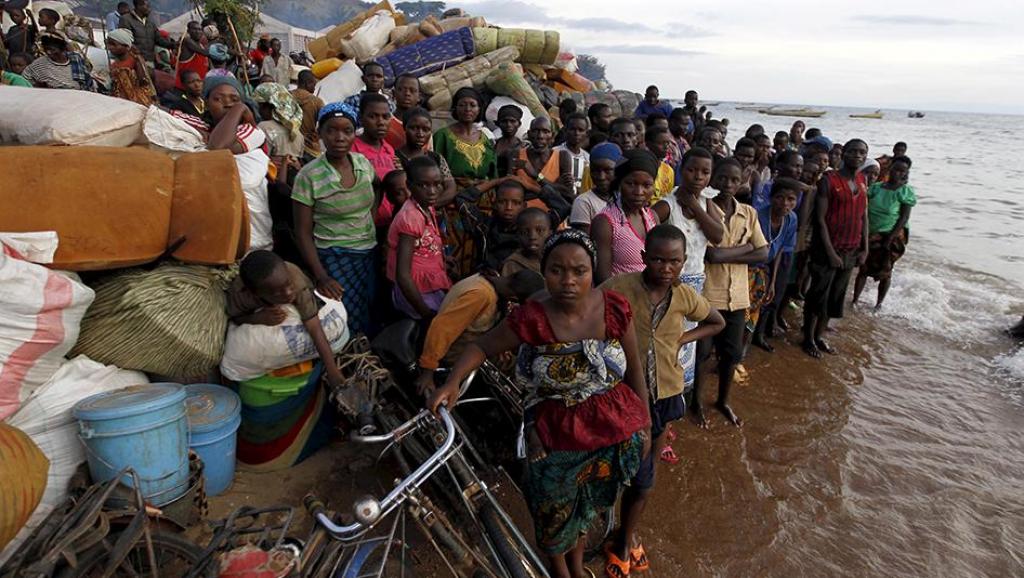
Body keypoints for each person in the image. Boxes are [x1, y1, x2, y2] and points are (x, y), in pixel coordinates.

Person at [427, 230, 652, 578]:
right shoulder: (531, 318)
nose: (569, 280)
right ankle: (561, 570)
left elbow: (635, 368)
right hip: (554, 428)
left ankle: (576, 570)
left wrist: (646, 424)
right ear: (544, 272)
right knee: (553, 511)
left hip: (608, 422)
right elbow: (481, 347)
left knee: (583, 506)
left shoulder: (613, 308)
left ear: (593, 272)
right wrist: (452, 381)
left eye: (579, 271)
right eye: (557, 270)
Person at [599, 225, 725, 574]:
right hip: (624, 394)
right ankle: (623, 533)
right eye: (657, 259)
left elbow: (716, 322)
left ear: (684, 262)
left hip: (666, 391)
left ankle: (626, 538)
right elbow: (591, 309)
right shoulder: (619, 287)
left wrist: (682, 340)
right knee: (621, 465)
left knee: (646, 473)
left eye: (674, 261)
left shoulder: (684, 296)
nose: (665, 268)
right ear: (643, 258)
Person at [292, 102, 379, 336]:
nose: (339, 137)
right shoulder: (308, 176)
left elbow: (377, 189)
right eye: (331, 130)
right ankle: (345, 362)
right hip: (333, 257)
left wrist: (368, 219)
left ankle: (364, 358)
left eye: (347, 131)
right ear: (320, 133)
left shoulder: (362, 164)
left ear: (354, 134)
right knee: (341, 317)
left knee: (368, 310)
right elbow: (301, 232)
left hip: (367, 252)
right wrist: (321, 276)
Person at [696, 157, 768, 428]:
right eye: (722, 178)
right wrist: (744, 249)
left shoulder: (748, 213)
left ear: (742, 182)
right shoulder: (703, 208)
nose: (728, 184)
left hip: (738, 296)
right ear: (713, 179)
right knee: (702, 353)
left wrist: (722, 254)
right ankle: (697, 402)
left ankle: (723, 401)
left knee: (731, 354)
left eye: (734, 180)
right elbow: (706, 254)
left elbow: (762, 251)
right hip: (707, 296)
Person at [653, 147, 724, 391]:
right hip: (669, 283)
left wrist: (695, 205)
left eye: (705, 173)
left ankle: (679, 392)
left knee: (686, 341)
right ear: (681, 171)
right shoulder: (667, 204)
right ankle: (660, 387)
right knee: (665, 336)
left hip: (695, 286)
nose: (698, 177)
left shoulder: (706, 204)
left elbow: (718, 236)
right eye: (692, 170)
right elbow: (647, 231)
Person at [227, 250, 346, 389]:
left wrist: (332, 371)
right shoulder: (241, 295)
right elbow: (235, 317)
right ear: (255, 293)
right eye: (277, 292)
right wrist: (257, 318)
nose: (288, 293)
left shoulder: (296, 281)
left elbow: (314, 327)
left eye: (288, 285)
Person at [416, 268, 545, 393]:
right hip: (452, 354)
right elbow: (442, 328)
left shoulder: (493, 279)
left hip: (466, 344)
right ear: (514, 298)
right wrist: (428, 372)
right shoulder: (481, 295)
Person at [802, 139, 869, 358]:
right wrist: (830, 252)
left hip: (851, 249)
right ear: (842, 155)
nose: (857, 156)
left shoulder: (862, 179)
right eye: (853, 152)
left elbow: (863, 216)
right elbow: (820, 219)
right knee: (817, 296)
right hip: (827, 249)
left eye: (862, 153)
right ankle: (808, 338)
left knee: (835, 297)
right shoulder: (829, 180)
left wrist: (864, 247)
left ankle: (819, 336)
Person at [387, 156, 451, 320]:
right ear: (409, 186)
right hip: (418, 294)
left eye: (437, 184)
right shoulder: (411, 217)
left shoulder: (426, 207)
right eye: (423, 185)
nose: (432, 191)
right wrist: (425, 312)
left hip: (428, 287)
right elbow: (403, 275)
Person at [853, 156, 916, 309]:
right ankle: (855, 300)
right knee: (864, 268)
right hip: (872, 232)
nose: (898, 173)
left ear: (906, 173)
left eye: (902, 171)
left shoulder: (905, 192)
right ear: (890, 169)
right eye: (896, 169)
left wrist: (890, 238)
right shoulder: (876, 187)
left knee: (886, 271)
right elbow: (863, 207)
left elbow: (904, 217)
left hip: (891, 234)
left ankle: (878, 304)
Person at [592, 149, 661, 283]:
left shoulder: (652, 217)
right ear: (619, 183)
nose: (639, 192)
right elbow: (603, 280)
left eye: (647, 185)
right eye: (631, 184)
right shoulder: (605, 222)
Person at [750, 179, 800, 352]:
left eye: (791, 199)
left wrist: (772, 281)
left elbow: (780, 249)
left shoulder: (791, 219)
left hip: (769, 264)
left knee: (769, 299)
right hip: (749, 264)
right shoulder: (757, 215)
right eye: (780, 197)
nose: (785, 203)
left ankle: (758, 335)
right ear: (771, 198)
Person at [433, 87, 497, 187]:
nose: (467, 109)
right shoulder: (442, 136)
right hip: (454, 194)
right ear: (455, 108)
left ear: (479, 109)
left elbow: (493, 174)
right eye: (462, 105)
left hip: (485, 194)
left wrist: (479, 183)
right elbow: (435, 170)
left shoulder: (485, 138)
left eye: (473, 105)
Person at [512, 117, 574, 205]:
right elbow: (511, 193)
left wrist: (536, 176)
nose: (540, 136)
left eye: (545, 132)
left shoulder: (562, 156)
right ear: (529, 134)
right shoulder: (517, 155)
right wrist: (554, 188)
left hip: (554, 215)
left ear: (552, 136)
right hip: (523, 215)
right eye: (535, 131)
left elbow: (568, 194)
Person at [253, 82, 304, 182]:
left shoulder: (264, 127)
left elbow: (259, 162)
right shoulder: (297, 132)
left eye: (261, 106)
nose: (259, 110)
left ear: (270, 107)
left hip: (270, 182)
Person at [569, 142, 621, 234]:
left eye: (607, 170)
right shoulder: (584, 202)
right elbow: (586, 242)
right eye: (595, 171)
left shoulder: (624, 199)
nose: (601, 177)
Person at [22, 32, 95, 91]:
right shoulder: (40, 64)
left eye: (52, 49)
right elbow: (26, 79)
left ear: (62, 48)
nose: (49, 52)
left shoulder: (75, 59)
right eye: (46, 49)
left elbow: (86, 79)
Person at [119, 0, 175, 70]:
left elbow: (159, 40)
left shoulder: (150, 23)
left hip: (149, 61)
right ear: (139, 6)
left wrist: (173, 45)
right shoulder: (126, 19)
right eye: (147, 6)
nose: (150, 9)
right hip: (134, 62)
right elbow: (125, 41)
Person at [105, 29, 155, 105]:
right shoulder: (114, 65)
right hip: (121, 103)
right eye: (108, 44)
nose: (109, 47)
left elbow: (144, 82)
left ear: (126, 46)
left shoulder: (135, 60)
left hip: (140, 101)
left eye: (113, 44)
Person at [502, 207, 551, 277]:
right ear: (518, 235)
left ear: (550, 233)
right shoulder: (512, 265)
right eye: (525, 232)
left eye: (540, 231)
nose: (532, 237)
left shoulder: (556, 258)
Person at [291, 70, 325, 162]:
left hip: (290, 144)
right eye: (313, 85)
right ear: (307, 84)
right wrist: (318, 135)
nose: (314, 89)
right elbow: (326, 121)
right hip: (309, 146)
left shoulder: (286, 96)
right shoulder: (317, 102)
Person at [553, 113, 590, 196]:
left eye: (581, 130)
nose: (576, 133)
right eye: (572, 129)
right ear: (565, 130)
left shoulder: (588, 158)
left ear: (586, 133)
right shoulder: (554, 152)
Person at [384, 74, 420, 150]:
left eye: (412, 91)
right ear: (393, 93)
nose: (407, 94)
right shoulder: (385, 123)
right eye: (401, 90)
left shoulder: (423, 126)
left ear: (419, 96)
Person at [174, 21, 210, 90]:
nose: (197, 32)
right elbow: (206, 53)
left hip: (198, 88)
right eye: (194, 29)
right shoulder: (187, 41)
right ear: (188, 31)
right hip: (184, 88)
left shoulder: (201, 46)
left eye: (199, 29)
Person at [644, 126, 676, 203]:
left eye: (668, 143)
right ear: (648, 144)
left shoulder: (668, 170)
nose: (666, 147)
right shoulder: (641, 168)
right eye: (661, 143)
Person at [494, 104, 525, 174]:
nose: (508, 125)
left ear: (519, 124)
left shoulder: (523, 147)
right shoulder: (493, 144)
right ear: (498, 124)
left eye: (513, 121)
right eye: (504, 121)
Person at [732, 137, 759, 204]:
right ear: (735, 153)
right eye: (741, 155)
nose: (745, 159)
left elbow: (756, 199)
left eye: (749, 156)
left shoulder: (754, 175)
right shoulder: (724, 169)